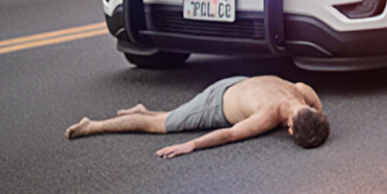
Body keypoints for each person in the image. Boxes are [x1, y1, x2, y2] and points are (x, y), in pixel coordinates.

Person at [66, 75, 330, 157]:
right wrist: (190, 145)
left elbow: (318, 112)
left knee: (178, 114)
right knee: (159, 125)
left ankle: (139, 110)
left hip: (242, 82)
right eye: (291, 131)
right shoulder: (269, 114)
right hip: (216, 102)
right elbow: (229, 134)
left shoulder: (303, 93)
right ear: (291, 125)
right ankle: (94, 126)